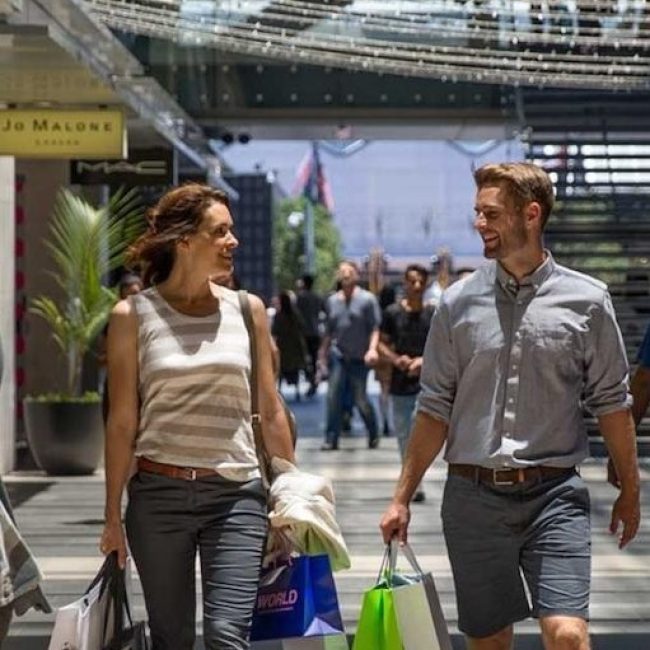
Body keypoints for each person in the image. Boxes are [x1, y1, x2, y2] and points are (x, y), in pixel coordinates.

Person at [380, 162, 640, 650]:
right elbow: (434, 408)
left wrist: (630, 485)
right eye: (477, 212)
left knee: (567, 635)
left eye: (491, 213)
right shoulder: (457, 304)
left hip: (554, 496)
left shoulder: (588, 300)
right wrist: (400, 497)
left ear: (531, 215)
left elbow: (612, 402)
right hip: (473, 499)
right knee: (491, 642)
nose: (479, 223)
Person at [99, 183, 295, 650]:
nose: (234, 242)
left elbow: (269, 410)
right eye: (221, 231)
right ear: (184, 240)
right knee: (172, 639)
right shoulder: (132, 316)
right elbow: (123, 420)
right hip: (157, 496)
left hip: (236, 494)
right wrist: (111, 516)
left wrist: (290, 498)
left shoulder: (248, 311)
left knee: (229, 636)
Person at [377, 264, 434, 503]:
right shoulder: (391, 313)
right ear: (405, 283)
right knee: (403, 435)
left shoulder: (433, 314)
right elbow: (381, 344)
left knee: (419, 434)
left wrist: (423, 360)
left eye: (421, 281)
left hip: (426, 384)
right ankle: (412, 481)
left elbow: (442, 346)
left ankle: (415, 482)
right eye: (412, 281)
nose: (417, 286)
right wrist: (395, 359)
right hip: (400, 383)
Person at [319, 261, 381, 451]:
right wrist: (322, 354)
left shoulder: (367, 299)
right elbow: (329, 332)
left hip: (360, 357)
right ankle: (331, 438)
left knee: (360, 398)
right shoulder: (332, 301)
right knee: (333, 396)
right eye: (342, 271)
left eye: (350, 271)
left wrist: (372, 349)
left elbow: (374, 328)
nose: (346, 274)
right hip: (339, 355)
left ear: (356, 275)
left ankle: (373, 431)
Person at [272, 290, 308, 401]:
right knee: (295, 370)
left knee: (282, 369)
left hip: (283, 346)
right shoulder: (295, 314)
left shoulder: (279, 316)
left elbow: (274, 331)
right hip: (295, 346)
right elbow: (303, 327)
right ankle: (297, 391)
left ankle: (280, 390)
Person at [295, 274, 325, 397]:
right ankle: (314, 380)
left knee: (303, 359)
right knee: (313, 359)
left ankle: (311, 380)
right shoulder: (317, 298)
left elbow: (296, 315)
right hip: (315, 332)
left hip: (303, 333)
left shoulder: (300, 297)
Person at [375, 284, 397, 436]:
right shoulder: (395, 311)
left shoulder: (378, 313)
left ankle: (385, 421)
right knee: (395, 391)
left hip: (381, 352)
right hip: (395, 351)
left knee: (383, 390)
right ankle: (393, 421)